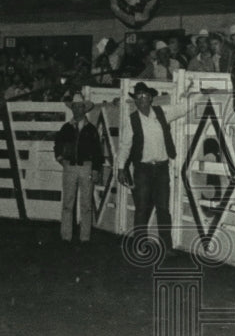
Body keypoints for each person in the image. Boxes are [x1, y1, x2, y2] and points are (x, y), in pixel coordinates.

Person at [116, 79, 195, 254]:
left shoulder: (162, 112)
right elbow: (125, 146)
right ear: (135, 100)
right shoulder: (132, 121)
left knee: (163, 208)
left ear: (151, 98)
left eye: (145, 95)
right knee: (142, 207)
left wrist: (201, 94)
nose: (142, 98)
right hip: (142, 169)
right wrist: (121, 168)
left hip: (161, 168)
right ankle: (140, 246)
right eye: (138, 96)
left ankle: (166, 246)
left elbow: (183, 108)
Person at [54, 93, 104, 244]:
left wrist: (95, 169)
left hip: (86, 167)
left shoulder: (91, 129)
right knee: (68, 202)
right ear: (72, 109)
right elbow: (57, 145)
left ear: (84, 109)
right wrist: (61, 159)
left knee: (86, 204)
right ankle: (66, 236)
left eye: (80, 106)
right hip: (70, 166)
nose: (77, 109)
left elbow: (97, 152)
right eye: (74, 106)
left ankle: (85, 237)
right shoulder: (66, 128)